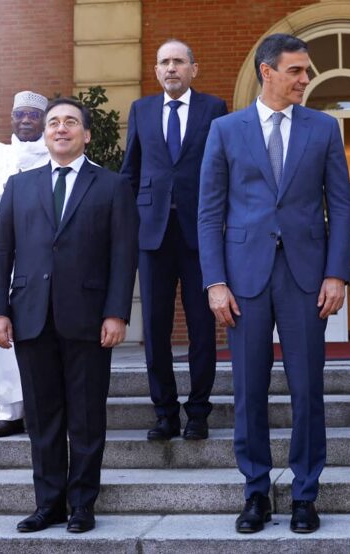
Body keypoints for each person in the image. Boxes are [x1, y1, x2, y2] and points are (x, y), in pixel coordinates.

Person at [198, 33, 350, 535]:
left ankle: (305, 494)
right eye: (297, 71)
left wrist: (336, 272)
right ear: (268, 72)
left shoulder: (324, 129)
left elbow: (341, 206)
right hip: (243, 279)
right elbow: (209, 213)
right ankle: (256, 493)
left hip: (307, 277)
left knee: (307, 388)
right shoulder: (225, 129)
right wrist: (215, 282)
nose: (306, 80)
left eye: (307, 72)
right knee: (248, 390)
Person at [0, 97, 138, 534]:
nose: (61, 128)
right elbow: (0, 253)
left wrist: (116, 313)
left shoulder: (111, 186)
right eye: (54, 122)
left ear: (86, 134)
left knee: (87, 418)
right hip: (31, 316)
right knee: (42, 417)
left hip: (90, 319)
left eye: (71, 122)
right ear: (45, 133)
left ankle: (83, 504)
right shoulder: (20, 185)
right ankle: (47, 503)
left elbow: (123, 255)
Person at [121, 39, 228, 441]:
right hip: (152, 235)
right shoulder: (141, 110)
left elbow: (223, 169)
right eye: (164, 62)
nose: (171, 68)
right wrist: (126, 227)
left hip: (201, 234)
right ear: (156, 70)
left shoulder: (214, 109)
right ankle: (164, 412)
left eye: (179, 62)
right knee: (156, 327)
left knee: (203, 327)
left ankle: (198, 412)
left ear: (193, 69)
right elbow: (131, 172)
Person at [0, 90, 51, 438]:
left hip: (43, 251)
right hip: (3, 251)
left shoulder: (55, 152)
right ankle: (10, 408)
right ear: (12, 118)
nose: (26, 120)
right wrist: (12, 186)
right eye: (20, 114)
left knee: (37, 324)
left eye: (33, 114)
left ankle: (39, 406)